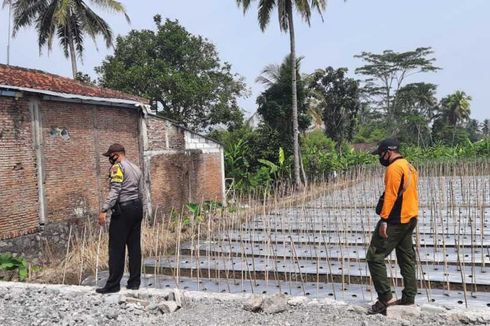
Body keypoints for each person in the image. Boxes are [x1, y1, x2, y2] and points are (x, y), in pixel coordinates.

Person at [366, 139, 419, 315]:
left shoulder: (394, 168)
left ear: (388, 152)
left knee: (374, 256)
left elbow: (391, 195)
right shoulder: (409, 166)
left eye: (381, 154)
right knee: (406, 258)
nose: (380, 158)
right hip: (410, 218)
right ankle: (409, 298)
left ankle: (385, 298)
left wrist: (384, 220)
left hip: (396, 220)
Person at [96, 143, 144, 294]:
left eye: (110, 156)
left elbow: (115, 190)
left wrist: (104, 209)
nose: (109, 159)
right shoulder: (136, 168)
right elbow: (141, 191)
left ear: (116, 154)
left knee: (116, 248)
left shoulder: (117, 167)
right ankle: (134, 283)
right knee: (134, 247)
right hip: (137, 208)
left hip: (123, 210)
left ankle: (113, 285)